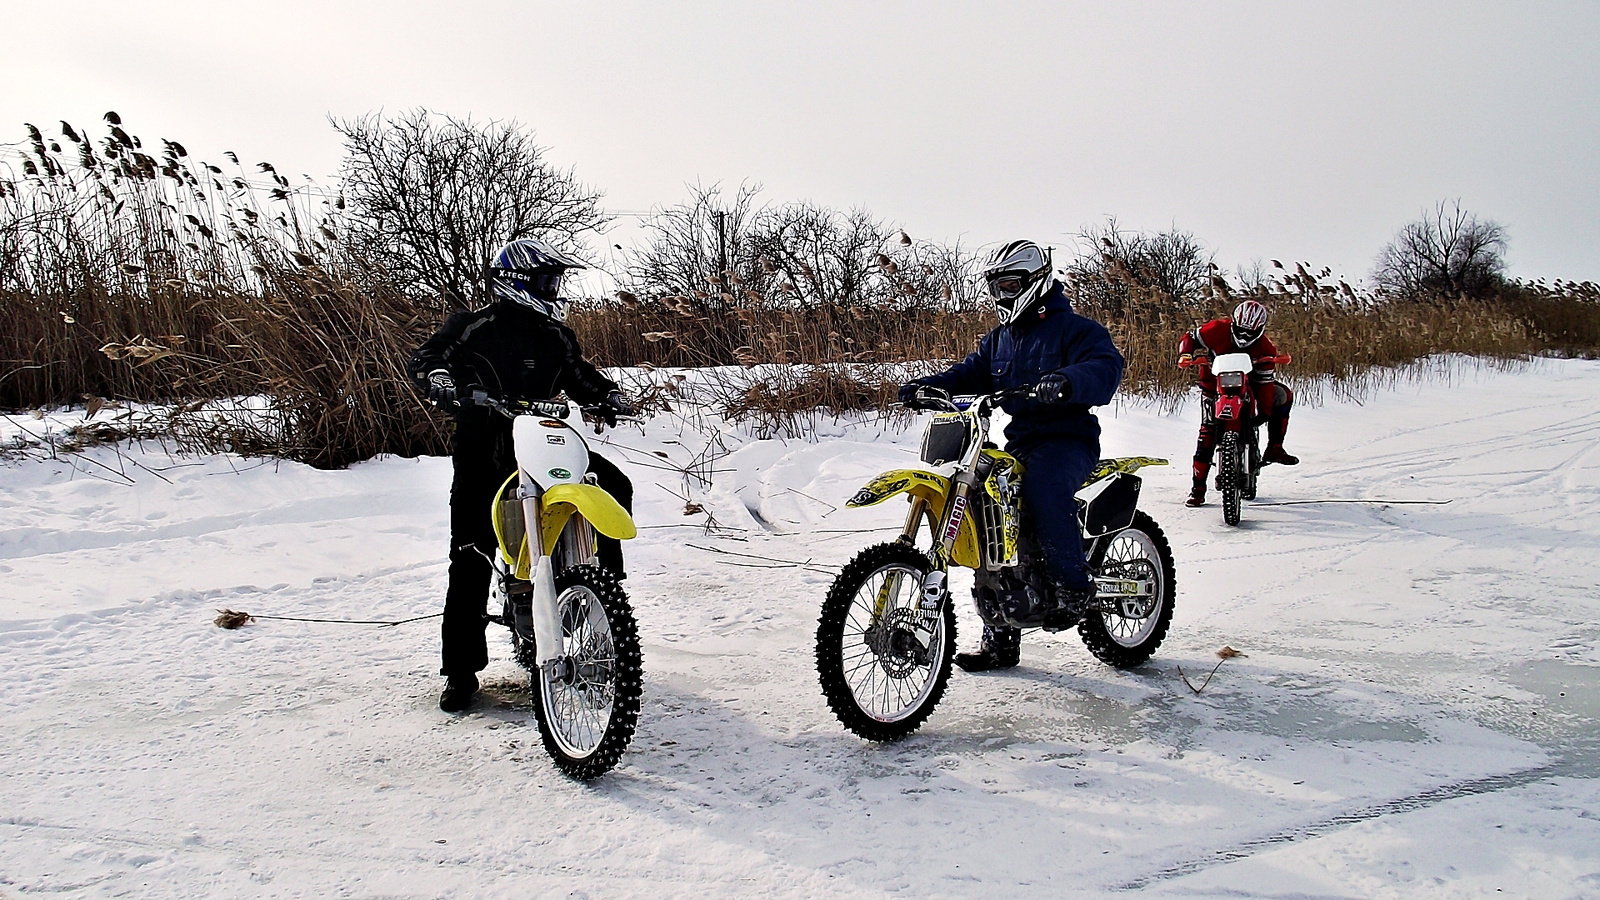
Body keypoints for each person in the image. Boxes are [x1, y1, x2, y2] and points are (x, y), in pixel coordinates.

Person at [407, 237, 634, 713]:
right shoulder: (473, 326)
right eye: (546, 280)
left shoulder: (556, 336)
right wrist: (444, 383)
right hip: (485, 448)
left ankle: (602, 602)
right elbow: (428, 358)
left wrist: (607, 395)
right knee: (471, 550)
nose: (554, 289)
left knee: (614, 485)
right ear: (516, 282)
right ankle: (461, 671)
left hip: (545, 443)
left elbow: (579, 374)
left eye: (556, 280)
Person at [899, 240, 1125, 672]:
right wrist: (929, 385)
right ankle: (1000, 639)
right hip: (1021, 441)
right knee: (987, 511)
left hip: (1067, 440)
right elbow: (969, 373)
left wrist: (1066, 380)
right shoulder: (1000, 339)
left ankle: (1073, 586)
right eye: (995, 286)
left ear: (1034, 280)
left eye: (1008, 285)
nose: (1001, 295)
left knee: (1044, 489)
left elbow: (1105, 367)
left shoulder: (1076, 330)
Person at [1177, 299, 1298, 508]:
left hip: (1247, 385)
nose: (1244, 337)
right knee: (1207, 430)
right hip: (1213, 385)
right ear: (1233, 323)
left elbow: (1264, 382)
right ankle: (1197, 488)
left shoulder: (1265, 347)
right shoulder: (1216, 329)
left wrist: (1265, 413)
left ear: (1260, 330)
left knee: (1283, 395)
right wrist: (1186, 353)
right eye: (1240, 330)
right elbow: (1190, 337)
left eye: (1250, 333)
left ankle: (1275, 447)